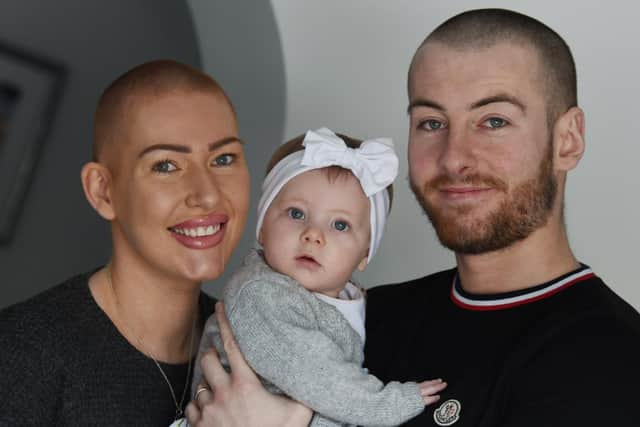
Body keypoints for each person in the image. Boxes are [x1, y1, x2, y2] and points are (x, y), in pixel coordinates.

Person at [186, 8, 640, 427]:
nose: (455, 157)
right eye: (431, 123)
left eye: (494, 121)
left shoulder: (609, 358)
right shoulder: (368, 314)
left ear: (568, 140)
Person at [0, 59, 251, 426]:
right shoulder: (19, 354)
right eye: (166, 165)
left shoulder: (253, 345)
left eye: (223, 158)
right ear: (103, 191)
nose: (208, 195)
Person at [192, 127, 446, 426]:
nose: (313, 235)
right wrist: (390, 402)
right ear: (262, 228)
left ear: (364, 254)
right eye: (296, 214)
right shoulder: (262, 293)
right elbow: (318, 377)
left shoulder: (363, 305)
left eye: (340, 225)